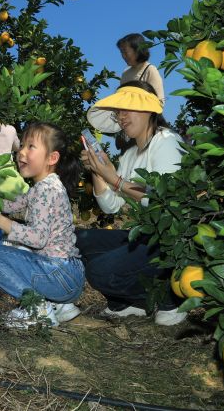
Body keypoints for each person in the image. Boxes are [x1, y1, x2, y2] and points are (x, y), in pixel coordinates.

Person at [73, 80, 186, 326]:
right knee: (76, 239)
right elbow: (110, 206)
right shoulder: (130, 155)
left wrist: (114, 179)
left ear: (147, 110)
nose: (121, 117)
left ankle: (169, 297)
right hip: (146, 237)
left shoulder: (167, 142)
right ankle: (130, 302)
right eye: (118, 111)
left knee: (99, 271)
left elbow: (162, 199)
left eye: (127, 109)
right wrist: (98, 169)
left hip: (171, 241)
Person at [0, 122, 85, 327]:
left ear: (52, 158)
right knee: (9, 245)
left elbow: (38, 238)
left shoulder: (45, 190)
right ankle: (59, 305)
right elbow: (9, 205)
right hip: (67, 274)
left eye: (30, 147)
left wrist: (0, 221)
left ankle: (36, 308)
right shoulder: (44, 186)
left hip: (59, 274)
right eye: (21, 145)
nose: (21, 152)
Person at [117, 33, 165, 106]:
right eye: (121, 52)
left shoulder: (150, 70)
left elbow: (159, 102)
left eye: (125, 52)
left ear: (137, 50)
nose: (123, 56)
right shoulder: (125, 73)